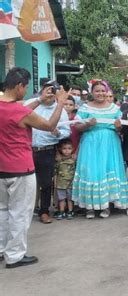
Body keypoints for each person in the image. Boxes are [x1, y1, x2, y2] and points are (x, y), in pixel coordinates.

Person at [0, 67, 68, 268]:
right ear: (20, 86)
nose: (26, 90)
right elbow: (49, 125)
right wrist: (60, 103)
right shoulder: (21, 112)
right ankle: (15, 255)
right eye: (26, 86)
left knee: (2, 210)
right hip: (20, 167)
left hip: (1, 168)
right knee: (20, 213)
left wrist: (39, 99)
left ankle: (2, 249)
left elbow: (21, 104)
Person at [72, 81, 128, 219]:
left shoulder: (114, 109)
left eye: (103, 91)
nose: (100, 93)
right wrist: (87, 124)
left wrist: (118, 126)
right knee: (91, 172)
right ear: (92, 92)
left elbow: (120, 129)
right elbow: (76, 127)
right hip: (90, 144)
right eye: (97, 91)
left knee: (107, 171)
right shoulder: (85, 108)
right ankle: (89, 207)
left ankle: (107, 205)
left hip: (110, 145)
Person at [24, 83, 71, 224]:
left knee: (45, 183)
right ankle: (24, 211)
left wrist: (58, 133)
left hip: (46, 150)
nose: (50, 93)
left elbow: (67, 131)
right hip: (26, 149)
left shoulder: (60, 110)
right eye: (47, 90)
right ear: (41, 91)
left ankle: (44, 211)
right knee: (25, 183)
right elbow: (17, 116)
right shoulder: (30, 104)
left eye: (53, 91)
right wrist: (39, 100)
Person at [54, 139, 76, 220]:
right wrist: (55, 183)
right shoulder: (58, 161)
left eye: (69, 148)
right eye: (64, 148)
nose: (67, 151)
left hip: (71, 183)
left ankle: (70, 211)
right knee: (61, 198)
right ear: (60, 149)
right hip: (61, 183)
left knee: (70, 199)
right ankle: (61, 211)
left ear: (72, 149)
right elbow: (55, 172)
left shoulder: (73, 160)